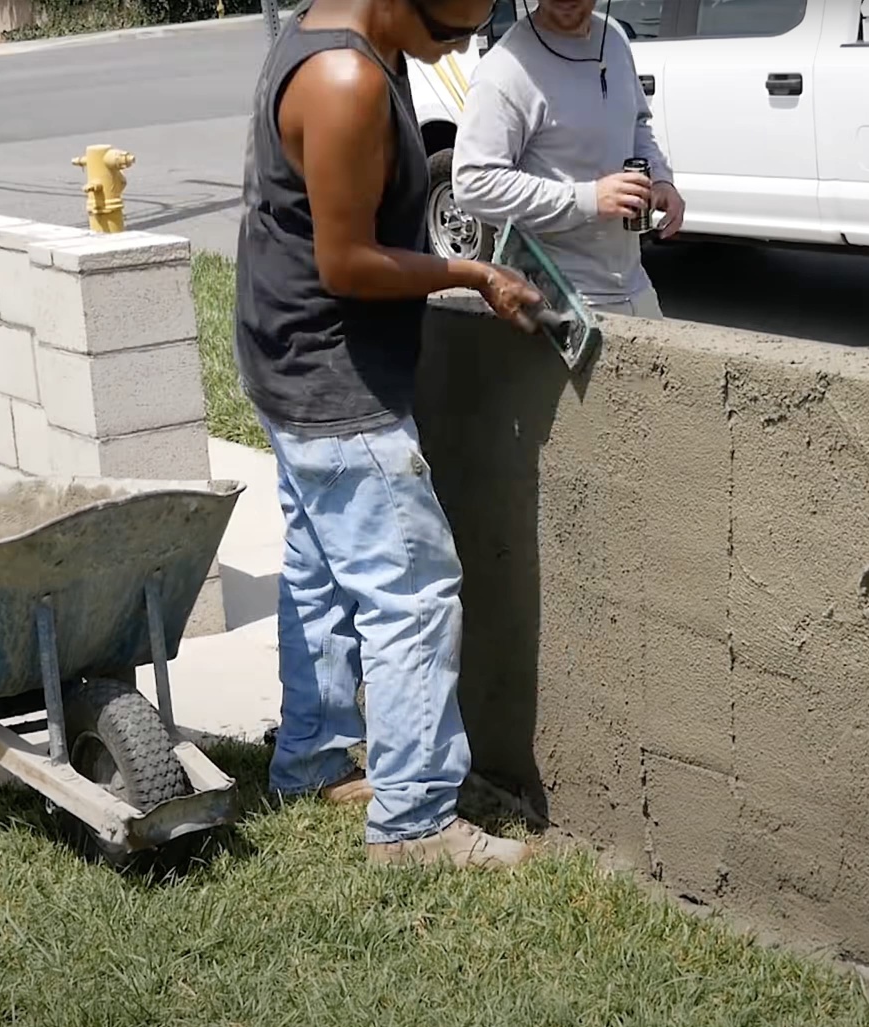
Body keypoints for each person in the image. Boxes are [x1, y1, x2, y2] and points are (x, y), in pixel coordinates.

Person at [235, 0, 544, 867]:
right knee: (412, 590)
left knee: (319, 572)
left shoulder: (335, 31)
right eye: (459, 23)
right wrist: (472, 272)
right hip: (333, 378)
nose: (470, 37)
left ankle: (311, 757)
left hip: (283, 354)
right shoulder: (346, 76)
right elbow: (346, 262)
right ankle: (414, 821)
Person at [450, 0, 685, 318]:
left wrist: (659, 177)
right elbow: (473, 184)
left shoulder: (613, 37)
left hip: (634, 284)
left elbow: (637, 122)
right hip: (559, 299)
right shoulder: (504, 69)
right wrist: (588, 198)